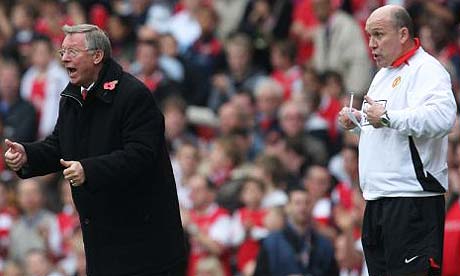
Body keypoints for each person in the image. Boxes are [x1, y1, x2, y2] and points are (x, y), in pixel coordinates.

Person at [3, 24, 185, 276]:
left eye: (72, 51)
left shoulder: (133, 95)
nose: (64, 58)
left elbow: (141, 155)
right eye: (62, 51)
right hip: (102, 242)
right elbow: (60, 145)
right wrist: (27, 155)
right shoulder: (72, 96)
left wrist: (88, 169)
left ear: (97, 56)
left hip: (144, 245)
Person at [338, 5, 457, 276]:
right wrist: (358, 122)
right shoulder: (382, 75)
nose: (372, 44)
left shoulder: (427, 70)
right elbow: (388, 131)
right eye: (369, 36)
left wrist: (388, 116)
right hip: (378, 199)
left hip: (411, 201)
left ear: (403, 34)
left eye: (379, 34)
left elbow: (442, 118)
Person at [253, 187, 339, 276]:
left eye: (307, 203)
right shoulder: (271, 243)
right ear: (288, 207)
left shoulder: (324, 244)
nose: (303, 207)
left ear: (312, 206)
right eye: (297, 203)